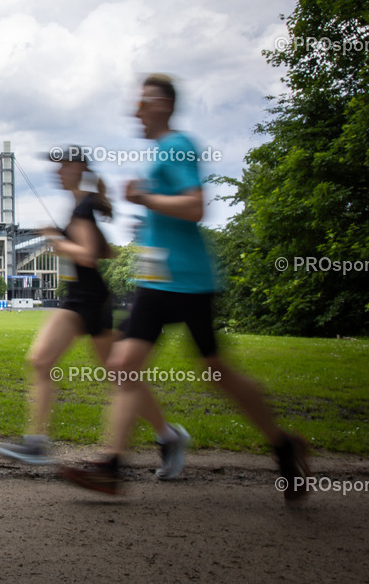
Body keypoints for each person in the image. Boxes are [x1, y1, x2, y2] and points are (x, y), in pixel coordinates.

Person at [60, 74, 310, 501]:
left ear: (162, 105)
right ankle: (111, 466)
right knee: (125, 365)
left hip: (185, 279)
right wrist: (147, 217)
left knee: (216, 373)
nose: (135, 111)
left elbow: (195, 207)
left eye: (142, 103)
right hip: (157, 280)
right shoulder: (161, 151)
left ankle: (284, 444)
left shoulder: (178, 145)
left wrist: (145, 200)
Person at [0, 149, 188, 478]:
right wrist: (73, 241)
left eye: (62, 166)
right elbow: (103, 251)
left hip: (86, 301)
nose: (57, 172)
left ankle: (37, 444)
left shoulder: (82, 207)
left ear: (78, 167)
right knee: (121, 376)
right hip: (87, 299)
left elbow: (87, 255)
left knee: (44, 362)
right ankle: (169, 436)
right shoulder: (82, 206)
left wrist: (57, 239)